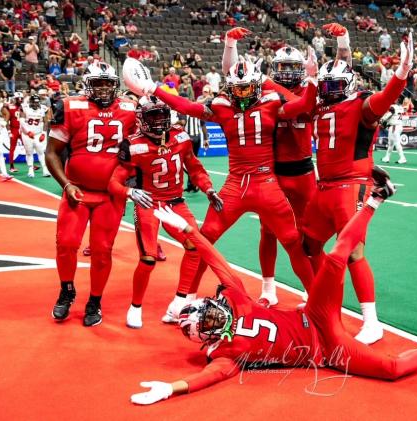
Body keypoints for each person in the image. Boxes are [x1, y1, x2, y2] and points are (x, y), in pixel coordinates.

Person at [129, 168, 417, 404]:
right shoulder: (226, 354)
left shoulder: (236, 300)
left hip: (314, 314)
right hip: (327, 350)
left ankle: (375, 199)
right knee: (391, 371)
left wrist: (187, 230)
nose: (213, 317)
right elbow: (205, 379)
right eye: (206, 325)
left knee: (335, 259)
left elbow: (216, 261)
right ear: (206, 338)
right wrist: (170, 389)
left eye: (206, 312)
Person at [122, 55, 317, 323]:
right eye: (237, 88)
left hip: (265, 183)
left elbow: (305, 104)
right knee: (204, 238)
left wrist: (312, 81)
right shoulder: (223, 105)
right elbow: (188, 107)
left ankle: (316, 299)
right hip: (236, 184)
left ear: (257, 84)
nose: (242, 94)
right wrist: (155, 88)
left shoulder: (272, 101)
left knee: (293, 242)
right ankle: (184, 299)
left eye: (248, 87)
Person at [299, 23, 413, 345]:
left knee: (352, 252)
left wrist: (401, 74)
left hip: (350, 186)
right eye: (327, 84)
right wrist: (341, 44)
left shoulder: (361, 105)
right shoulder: (320, 104)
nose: (330, 89)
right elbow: (340, 63)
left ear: (348, 84)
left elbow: (384, 97)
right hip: (325, 186)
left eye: (336, 84)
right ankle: (325, 302)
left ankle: (371, 321)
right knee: (309, 245)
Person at [221, 27, 318, 307]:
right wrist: (231, 46)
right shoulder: (263, 90)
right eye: (282, 67)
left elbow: (300, 102)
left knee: (308, 233)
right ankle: (268, 287)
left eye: (292, 67)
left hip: (303, 171)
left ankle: (314, 287)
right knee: (268, 231)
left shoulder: (308, 90)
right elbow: (232, 72)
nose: (287, 72)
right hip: (273, 171)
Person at [108, 96, 221, 329]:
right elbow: (113, 182)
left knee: (195, 248)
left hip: (175, 202)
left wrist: (208, 188)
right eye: (153, 116)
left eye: (162, 115)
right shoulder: (133, 144)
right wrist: (130, 193)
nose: (159, 121)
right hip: (149, 202)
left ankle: (179, 303)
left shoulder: (181, 137)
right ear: (142, 119)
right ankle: (135, 306)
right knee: (148, 258)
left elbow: (195, 168)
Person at [45, 62, 138, 327]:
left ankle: (95, 300)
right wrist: (65, 184)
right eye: (98, 83)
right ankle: (67, 289)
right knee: (66, 245)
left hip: (110, 194)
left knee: (102, 251)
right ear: (88, 84)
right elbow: (52, 152)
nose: (104, 88)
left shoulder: (131, 108)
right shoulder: (72, 106)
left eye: (108, 83)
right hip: (77, 191)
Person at [20, 94, 50, 177]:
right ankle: (30, 170)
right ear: (31, 102)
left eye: (37, 102)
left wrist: (43, 133)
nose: (36, 104)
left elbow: (46, 121)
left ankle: (45, 170)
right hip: (27, 134)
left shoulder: (43, 108)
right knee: (29, 152)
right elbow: (22, 121)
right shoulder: (25, 108)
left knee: (41, 152)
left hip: (38, 133)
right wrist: (28, 131)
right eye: (34, 102)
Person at [6, 91, 22, 172]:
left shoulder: (24, 107)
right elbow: (7, 121)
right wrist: (9, 132)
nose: (20, 100)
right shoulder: (10, 107)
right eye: (18, 99)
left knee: (28, 147)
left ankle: (32, 164)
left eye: (20, 98)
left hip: (22, 129)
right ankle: (11, 166)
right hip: (14, 129)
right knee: (12, 148)